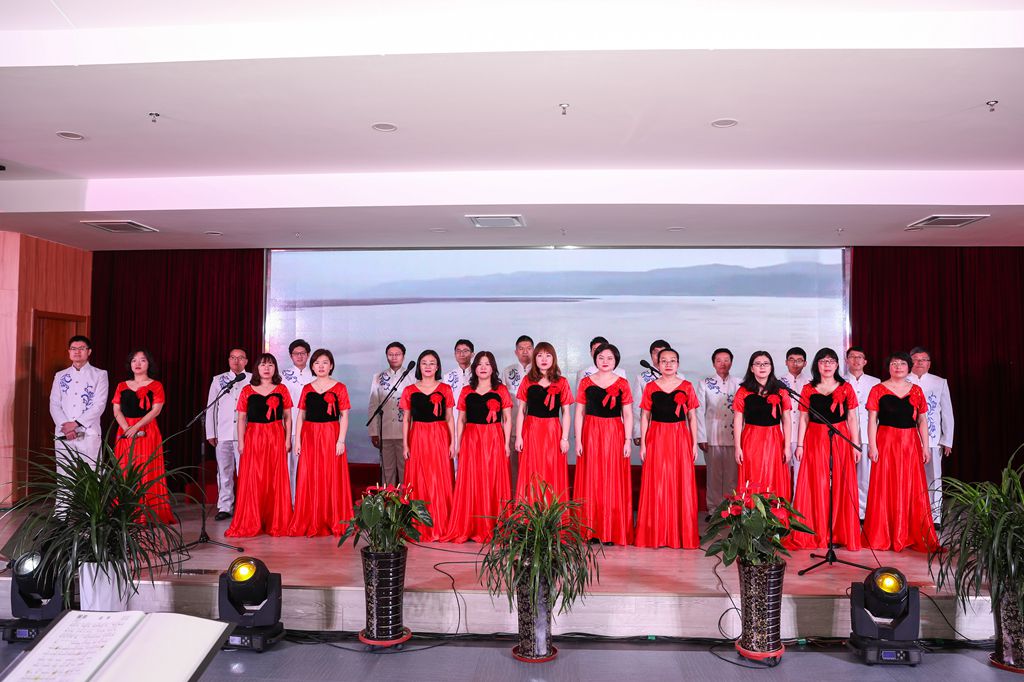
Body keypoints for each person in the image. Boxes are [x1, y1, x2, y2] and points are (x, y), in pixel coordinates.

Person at [863, 352, 940, 552]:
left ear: (909, 367)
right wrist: (872, 446)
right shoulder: (877, 389)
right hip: (885, 442)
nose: (898, 367)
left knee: (911, 486)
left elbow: (922, 420)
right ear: (888, 367)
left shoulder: (916, 390)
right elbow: (872, 420)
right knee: (885, 486)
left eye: (902, 363)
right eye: (894, 363)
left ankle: (909, 533)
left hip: (910, 443)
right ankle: (883, 534)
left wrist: (925, 446)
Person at [786, 348, 862, 551]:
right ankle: (816, 531)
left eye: (831, 361)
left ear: (837, 365)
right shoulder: (808, 388)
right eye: (823, 361)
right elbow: (803, 418)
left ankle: (838, 532)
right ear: (816, 365)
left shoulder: (846, 388)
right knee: (816, 483)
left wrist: (856, 445)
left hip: (840, 436)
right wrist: (800, 444)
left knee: (841, 483)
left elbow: (852, 418)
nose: (827, 365)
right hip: (814, 437)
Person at [635, 348, 700, 549]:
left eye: (672, 360)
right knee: (657, 482)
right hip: (656, 436)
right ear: (658, 364)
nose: (668, 364)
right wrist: (643, 443)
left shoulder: (687, 386)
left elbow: (692, 417)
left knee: (680, 480)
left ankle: (680, 534)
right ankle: (656, 533)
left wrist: (694, 443)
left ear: (678, 364)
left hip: (680, 436)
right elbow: (645, 416)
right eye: (664, 361)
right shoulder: (650, 387)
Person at [444, 351, 513, 543]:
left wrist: (506, 443)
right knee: (471, 480)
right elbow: (461, 419)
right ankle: (470, 526)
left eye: (487, 364)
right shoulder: (467, 390)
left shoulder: (501, 390)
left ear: (493, 368)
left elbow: (507, 419)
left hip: (494, 437)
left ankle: (493, 526)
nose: (483, 367)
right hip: (471, 439)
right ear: (474, 368)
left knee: (493, 479)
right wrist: (458, 443)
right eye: (480, 364)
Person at [226, 353, 293, 538]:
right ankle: (252, 520)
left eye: (270, 365)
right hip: (253, 436)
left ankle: (276, 521)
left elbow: (288, 417)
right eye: (263, 365)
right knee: (253, 478)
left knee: (275, 478)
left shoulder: (282, 389)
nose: (266, 368)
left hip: (276, 435)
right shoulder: (247, 390)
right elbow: (241, 419)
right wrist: (241, 442)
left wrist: (287, 439)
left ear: (275, 368)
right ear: (256, 368)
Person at [573, 343, 634, 546]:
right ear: (595, 359)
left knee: (612, 478)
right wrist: (578, 439)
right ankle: (590, 530)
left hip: (614, 432)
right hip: (591, 431)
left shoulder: (623, 383)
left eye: (609, 358)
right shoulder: (585, 382)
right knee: (591, 478)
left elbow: (627, 413)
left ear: (616, 360)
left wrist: (627, 440)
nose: (605, 361)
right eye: (601, 357)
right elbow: (579, 412)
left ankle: (611, 530)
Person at [289, 349, 353, 537]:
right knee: (310, 475)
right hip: (309, 436)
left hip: (331, 435)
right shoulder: (307, 388)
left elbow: (344, 416)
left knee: (331, 475)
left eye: (325, 362)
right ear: (312, 366)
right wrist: (298, 440)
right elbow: (301, 415)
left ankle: (332, 519)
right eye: (317, 363)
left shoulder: (340, 387)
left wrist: (341, 440)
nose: (321, 366)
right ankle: (311, 518)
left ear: (331, 365)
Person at [111, 349, 174, 523]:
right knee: (124, 469)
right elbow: (116, 410)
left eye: (142, 360)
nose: (137, 364)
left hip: (147, 430)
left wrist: (136, 426)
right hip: (124, 432)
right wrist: (126, 428)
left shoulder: (156, 385)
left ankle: (146, 514)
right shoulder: (121, 385)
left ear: (149, 364)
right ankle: (126, 513)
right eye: (134, 360)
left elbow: (156, 410)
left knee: (146, 469)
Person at [400, 350, 456, 541]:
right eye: (424, 363)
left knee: (440, 478)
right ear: (419, 366)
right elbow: (406, 420)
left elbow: (449, 418)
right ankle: (418, 526)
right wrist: (405, 444)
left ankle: (441, 525)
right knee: (418, 478)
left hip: (440, 435)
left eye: (432, 363)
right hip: (417, 436)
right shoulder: (409, 390)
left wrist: (453, 442)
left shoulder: (445, 389)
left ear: (437, 366)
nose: (428, 366)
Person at [514, 342, 573, 502]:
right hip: (531, 430)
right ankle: (531, 511)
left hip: (553, 430)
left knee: (552, 467)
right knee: (531, 469)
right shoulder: (527, 380)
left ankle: (551, 512)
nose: (544, 359)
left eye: (548, 355)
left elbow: (566, 413)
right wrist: (519, 436)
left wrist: (565, 438)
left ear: (553, 358)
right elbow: (521, 411)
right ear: (535, 359)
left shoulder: (562, 382)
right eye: (540, 355)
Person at [733, 351, 792, 500]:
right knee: (753, 475)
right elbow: (738, 419)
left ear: (771, 367)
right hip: (751, 439)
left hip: (774, 439)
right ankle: (753, 512)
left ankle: (774, 512)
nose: (762, 367)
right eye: (758, 364)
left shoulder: (781, 390)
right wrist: (738, 447)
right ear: (751, 368)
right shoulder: (743, 391)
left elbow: (786, 419)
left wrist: (787, 446)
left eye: (766, 363)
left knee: (773, 475)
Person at [907, 346, 954, 523]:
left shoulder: (939, 382)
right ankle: (911, 514)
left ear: (929, 363)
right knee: (909, 477)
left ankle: (935, 517)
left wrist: (947, 439)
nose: (919, 363)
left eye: (923, 360)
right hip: (907, 437)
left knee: (934, 477)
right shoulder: (902, 380)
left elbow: (947, 412)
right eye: (916, 359)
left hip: (933, 438)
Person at [205, 347, 251, 521]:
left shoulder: (253, 379)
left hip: (245, 435)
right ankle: (225, 506)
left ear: (246, 361)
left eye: (240, 358)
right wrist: (211, 432)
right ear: (228, 360)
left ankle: (245, 506)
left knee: (245, 471)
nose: (236, 361)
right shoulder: (219, 379)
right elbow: (212, 407)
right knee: (224, 471)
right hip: (223, 433)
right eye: (233, 357)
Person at [49, 335, 108, 467]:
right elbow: (54, 404)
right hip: (64, 433)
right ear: (69, 351)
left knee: (90, 473)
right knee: (65, 474)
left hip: (88, 433)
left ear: (89, 351)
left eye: (81, 348)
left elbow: (99, 405)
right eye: (73, 349)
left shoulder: (100, 375)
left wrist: (76, 424)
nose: (77, 352)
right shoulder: (60, 376)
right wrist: (67, 427)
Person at [696, 348, 741, 510]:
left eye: (726, 360)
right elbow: (699, 411)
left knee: (732, 476)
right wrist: (701, 437)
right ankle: (713, 509)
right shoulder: (705, 383)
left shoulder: (739, 383)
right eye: (719, 360)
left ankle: (732, 509)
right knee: (713, 475)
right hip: (712, 435)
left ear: (731, 362)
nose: (723, 364)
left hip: (733, 436)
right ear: (713, 363)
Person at [368, 341, 413, 486]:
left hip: (405, 433)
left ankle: (405, 499)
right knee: (387, 471)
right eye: (390, 354)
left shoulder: (412, 377)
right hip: (385, 431)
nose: (394, 357)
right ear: (386, 356)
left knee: (405, 469)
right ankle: (388, 499)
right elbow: (373, 404)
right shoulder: (378, 377)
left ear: (403, 356)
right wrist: (374, 432)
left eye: (397, 354)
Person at [845, 346, 880, 519]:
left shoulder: (875, 382)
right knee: (845, 475)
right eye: (852, 357)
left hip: (867, 434)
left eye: (860, 357)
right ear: (846, 360)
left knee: (865, 476)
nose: (856, 360)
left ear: (865, 361)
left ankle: (862, 513)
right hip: (845, 433)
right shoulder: (840, 380)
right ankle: (847, 510)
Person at [281, 339, 314, 500]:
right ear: (291, 356)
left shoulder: (315, 374)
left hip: (311, 428)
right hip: (290, 427)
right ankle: (292, 501)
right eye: (296, 353)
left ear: (308, 355)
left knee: (309, 466)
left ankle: (307, 501)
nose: (299, 356)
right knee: (290, 466)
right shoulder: (282, 376)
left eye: (303, 353)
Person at [502, 335, 534, 486]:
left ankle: (535, 498)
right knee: (514, 467)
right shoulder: (508, 371)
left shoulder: (541, 370)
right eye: (521, 349)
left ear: (534, 350)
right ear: (516, 352)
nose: (525, 352)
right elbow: (502, 402)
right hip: (514, 428)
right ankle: (516, 498)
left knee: (534, 467)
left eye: (528, 348)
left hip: (535, 429)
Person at [631, 339, 675, 446]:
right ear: (651, 356)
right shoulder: (642, 378)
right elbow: (636, 408)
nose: (659, 356)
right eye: (656, 353)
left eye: (662, 352)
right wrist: (637, 432)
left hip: (675, 429)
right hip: (650, 430)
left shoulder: (680, 378)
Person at [778, 347, 810, 490]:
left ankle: (798, 502)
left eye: (799, 360)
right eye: (791, 360)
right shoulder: (777, 382)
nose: (795, 363)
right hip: (782, 434)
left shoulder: (811, 382)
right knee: (781, 473)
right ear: (786, 362)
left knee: (801, 474)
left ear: (805, 363)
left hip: (803, 435)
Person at [442, 339, 475, 453]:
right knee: (455, 453)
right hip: (454, 420)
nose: (462, 354)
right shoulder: (448, 377)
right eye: (458, 351)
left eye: (465, 351)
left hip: (475, 423)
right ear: (455, 354)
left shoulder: (479, 374)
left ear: (472, 354)